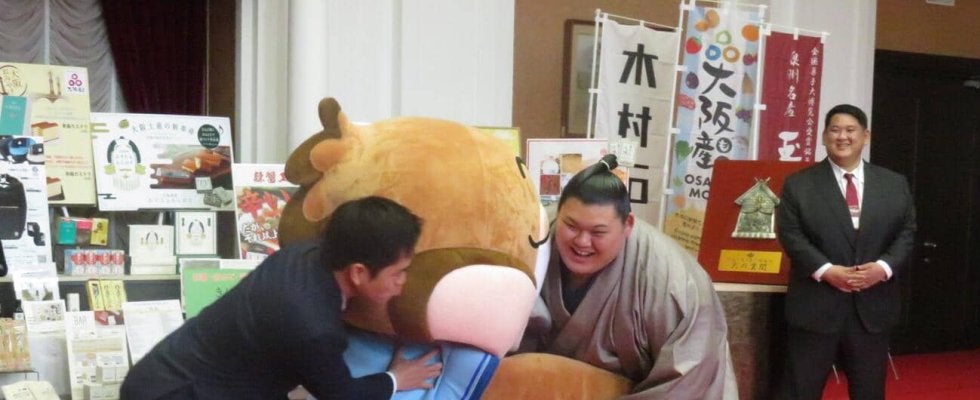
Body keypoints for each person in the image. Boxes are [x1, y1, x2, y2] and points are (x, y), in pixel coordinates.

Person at [121, 196, 443, 399]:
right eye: (397, 273)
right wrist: (395, 379)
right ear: (358, 272)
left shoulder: (305, 253)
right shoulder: (313, 327)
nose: (402, 284)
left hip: (169, 371)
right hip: (179, 392)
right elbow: (341, 395)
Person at [522, 154, 738, 399]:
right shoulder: (532, 240)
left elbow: (690, 377)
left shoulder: (673, 279)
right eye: (571, 226)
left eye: (598, 232)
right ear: (557, 213)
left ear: (628, 225)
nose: (582, 242)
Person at [776, 104, 916, 400]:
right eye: (835, 130)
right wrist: (826, 271)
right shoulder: (799, 184)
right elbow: (791, 235)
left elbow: (906, 232)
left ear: (865, 136)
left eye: (850, 130)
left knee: (869, 391)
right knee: (800, 390)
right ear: (824, 137)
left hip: (872, 309)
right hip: (815, 307)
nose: (842, 137)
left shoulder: (893, 184)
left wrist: (882, 268)